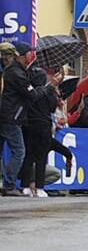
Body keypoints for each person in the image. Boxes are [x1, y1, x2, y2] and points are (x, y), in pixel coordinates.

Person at [0, 42, 62, 196]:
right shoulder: (16, 74)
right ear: (21, 56)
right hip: (10, 117)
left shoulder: (17, 72)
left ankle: (7, 182)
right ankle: (8, 184)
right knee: (20, 151)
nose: (31, 56)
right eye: (29, 53)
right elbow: (32, 95)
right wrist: (49, 86)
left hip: (10, 116)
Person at [18, 67, 58, 197]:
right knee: (41, 158)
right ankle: (40, 187)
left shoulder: (29, 92)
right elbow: (52, 108)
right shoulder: (48, 92)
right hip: (43, 126)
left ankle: (25, 186)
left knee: (28, 157)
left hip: (28, 126)